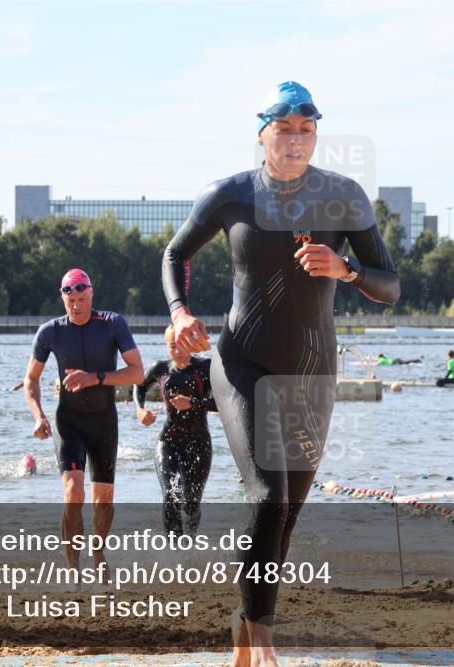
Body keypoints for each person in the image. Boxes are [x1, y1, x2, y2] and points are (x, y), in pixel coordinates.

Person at [162, 81, 399, 667]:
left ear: (316, 135)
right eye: (285, 129)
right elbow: (175, 255)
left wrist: (346, 268)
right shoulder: (230, 194)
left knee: (289, 506)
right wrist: (178, 313)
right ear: (262, 133)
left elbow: (389, 286)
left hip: (314, 371)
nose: (296, 140)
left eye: (307, 130)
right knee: (268, 495)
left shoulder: (344, 197)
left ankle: (245, 630)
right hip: (243, 363)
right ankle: (265, 646)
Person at [22, 268, 144, 570]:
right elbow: (31, 379)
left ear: (91, 294)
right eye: (70, 300)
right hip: (69, 421)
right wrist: (38, 416)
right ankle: (72, 567)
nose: (76, 305)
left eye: (81, 298)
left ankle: (98, 551)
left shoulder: (113, 324)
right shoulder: (50, 331)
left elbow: (137, 372)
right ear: (63, 298)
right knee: (74, 492)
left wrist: (95, 378)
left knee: (103, 503)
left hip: (104, 422)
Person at [134, 325, 217, 536]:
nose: (178, 351)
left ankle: (190, 544)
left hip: (199, 443)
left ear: (189, 343)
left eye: (181, 345)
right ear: (166, 346)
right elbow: (139, 386)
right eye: (172, 346)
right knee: (171, 493)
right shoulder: (160, 369)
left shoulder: (206, 368)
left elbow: (221, 403)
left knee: (191, 503)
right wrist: (140, 409)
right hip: (168, 441)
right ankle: (174, 550)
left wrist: (193, 403)